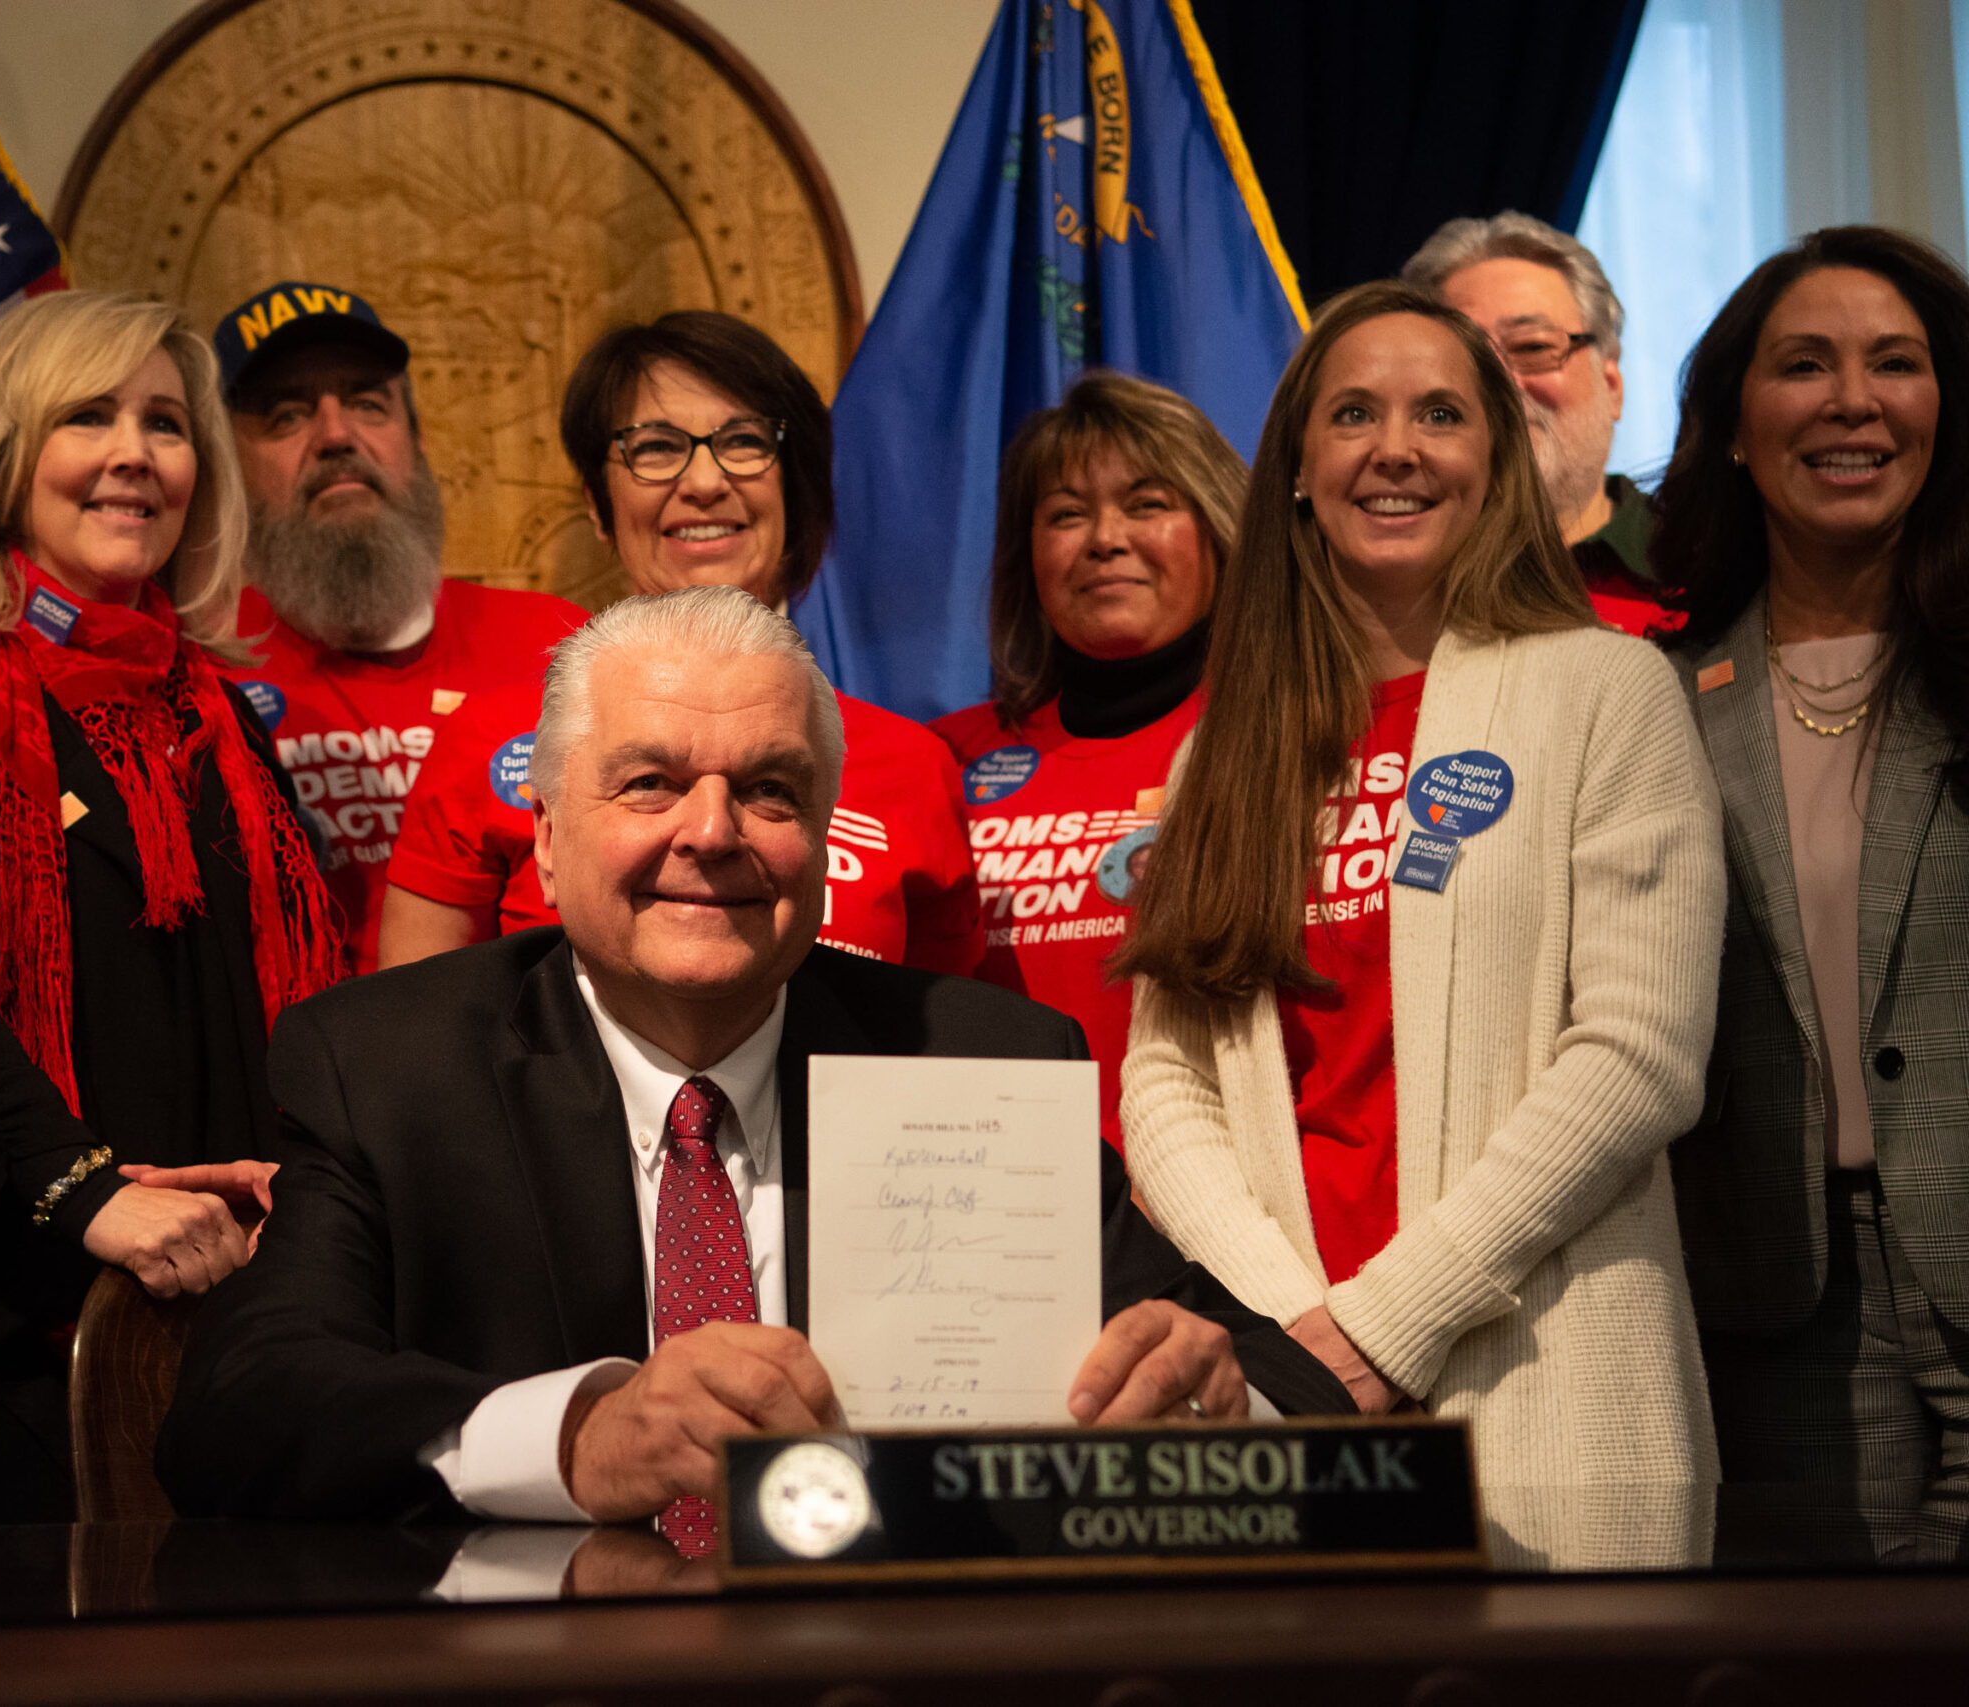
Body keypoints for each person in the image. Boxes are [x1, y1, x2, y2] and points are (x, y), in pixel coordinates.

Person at [159, 586, 1353, 1544]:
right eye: (651, 783)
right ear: (548, 833)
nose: (714, 832)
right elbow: (241, 1406)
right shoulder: (388, 1066)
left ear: (822, 844)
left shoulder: (974, 1061)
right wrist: (575, 1438)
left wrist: (1210, 1404)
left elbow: (1288, 1386)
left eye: (770, 792)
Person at [1117, 280, 1723, 1570]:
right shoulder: (1221, 752)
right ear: (1295, 469)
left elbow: (1637, 1057)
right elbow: (1165, 1080)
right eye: (1352, 414)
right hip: (1286, 1401)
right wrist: (1300, 1338)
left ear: (1494, 461)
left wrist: (1388, 1322)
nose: (1394, 447)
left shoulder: (1609, 693)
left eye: (1439, 413)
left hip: (1549, 1370)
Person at [0, 289, 341, 1524]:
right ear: (5, 455)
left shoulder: (227, 728)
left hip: (239, 1342)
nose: (136, 454)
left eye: (165, 423)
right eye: (89, 417)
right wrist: (88, 1193)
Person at [1653, 227, 1969, 1565]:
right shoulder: (1653, 703)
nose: (1854, 400)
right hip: (1776, 1305)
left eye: (1896, 363)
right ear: (1733, 426)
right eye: (1804, 365)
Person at [380, 311, 979, 976]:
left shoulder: (915, 765)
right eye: (656, 447)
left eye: (745, 441)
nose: (702, 481)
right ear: (597, 503)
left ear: (797, 489)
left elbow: (944, 1056)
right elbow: (416, 1045)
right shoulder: (483, 739)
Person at [212, 282, 587, 971]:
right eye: (287, 416)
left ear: (415, 439)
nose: (334, 436)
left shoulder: (563, 650)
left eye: (366, 403)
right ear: (229, 468)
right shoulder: (200, 666)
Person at [928, 372, 1243, 1150]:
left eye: (1148, 503)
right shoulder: (943, 757)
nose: (1106, 537)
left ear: (1219, 525)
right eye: (1067, 514)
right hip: (1008, 1202)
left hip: (1222, 1215)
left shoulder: (1289, 741)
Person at [1401, 211, 1672, 636]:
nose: (1503, 384)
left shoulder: (1707, 570)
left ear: (1612, 385)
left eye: (1532, 347)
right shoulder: (1382, 595)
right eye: (1468, 358)